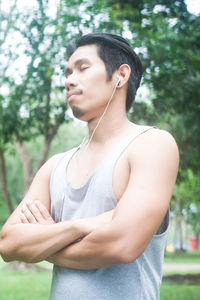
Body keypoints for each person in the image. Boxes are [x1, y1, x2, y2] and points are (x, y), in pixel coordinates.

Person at [0, 33, 179, 299]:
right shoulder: (54, 166)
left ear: (121, 75)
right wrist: (81, 226)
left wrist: (44, 241)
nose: (69, 80)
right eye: (68, 72)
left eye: (83, 68)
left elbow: (122, 244)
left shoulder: (152, 145)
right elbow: (8, 244)